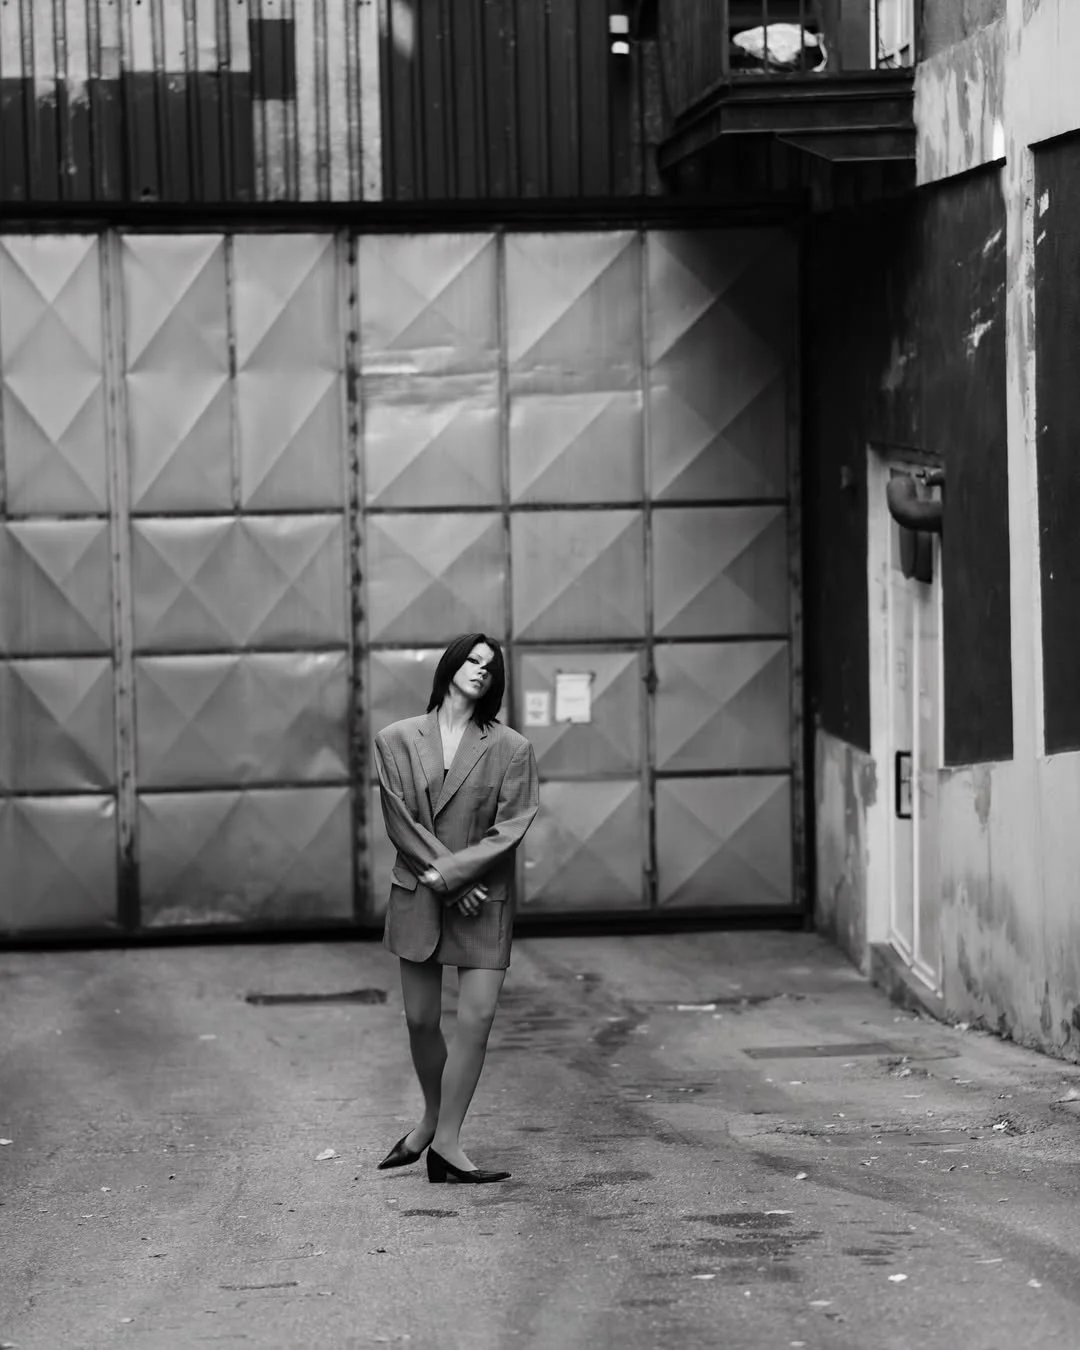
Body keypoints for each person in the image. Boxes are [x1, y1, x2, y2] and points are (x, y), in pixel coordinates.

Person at [373, 633, 539, 1184]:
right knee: (421, 1020)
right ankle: (429, 1117)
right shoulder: (395, 739)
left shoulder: (511, 748)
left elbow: (511, 827)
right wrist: (448, 881)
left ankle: (446, 1143)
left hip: (482, 900)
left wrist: (457, 876)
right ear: (450, 665)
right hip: (421, 893)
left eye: (490, 667)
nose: (479, 671)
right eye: (472, 660)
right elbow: (401, 822)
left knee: (478, 1018)